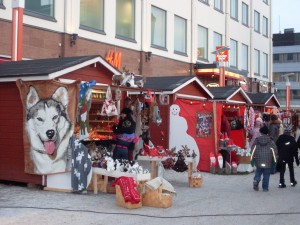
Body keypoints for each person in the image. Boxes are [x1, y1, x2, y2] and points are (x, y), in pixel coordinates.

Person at [251, 125, 277, 192]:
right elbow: (274, 150)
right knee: (266, 174)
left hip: (259, 159)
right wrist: (275, 159)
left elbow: (253, 149)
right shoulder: (270, 141)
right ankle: (265, 188)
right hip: (268, 160)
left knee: (258, 171)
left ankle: (256, 180)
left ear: (261, 132)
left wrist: (252, 158)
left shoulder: (257, 140)